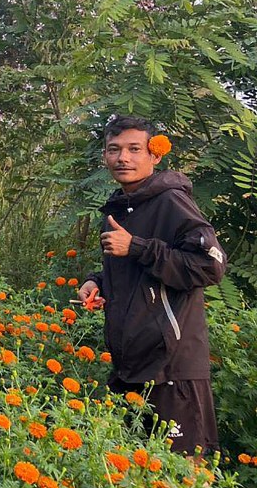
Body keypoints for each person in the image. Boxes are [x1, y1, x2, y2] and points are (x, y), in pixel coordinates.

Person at [78, 115, 226, 455]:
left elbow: (210, 266)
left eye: (134, 149)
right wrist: (97, 282)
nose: (123, 158)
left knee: (185, 475)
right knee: (135, 478)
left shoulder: (171, 202)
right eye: (114, 150)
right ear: (105, 156)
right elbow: (133, 269)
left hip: (173, 366)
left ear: (154, 155)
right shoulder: (121, 206)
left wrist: (138, 247)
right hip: (131, 362)